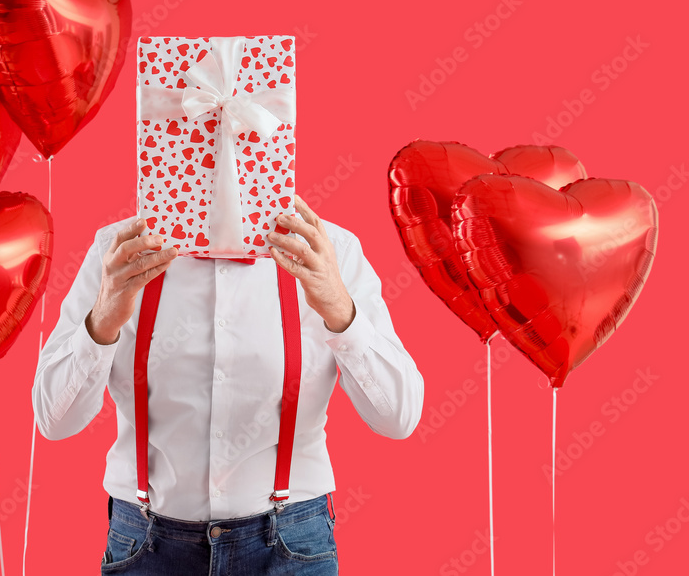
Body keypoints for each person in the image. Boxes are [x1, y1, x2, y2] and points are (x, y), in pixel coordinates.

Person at [33, 194, 424, 575]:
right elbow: (54, 421)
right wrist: (102, 321)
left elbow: (399, 417)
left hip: (290, 545)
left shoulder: (331, 250)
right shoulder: (117, 252)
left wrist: (341, 310)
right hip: (145, 544)